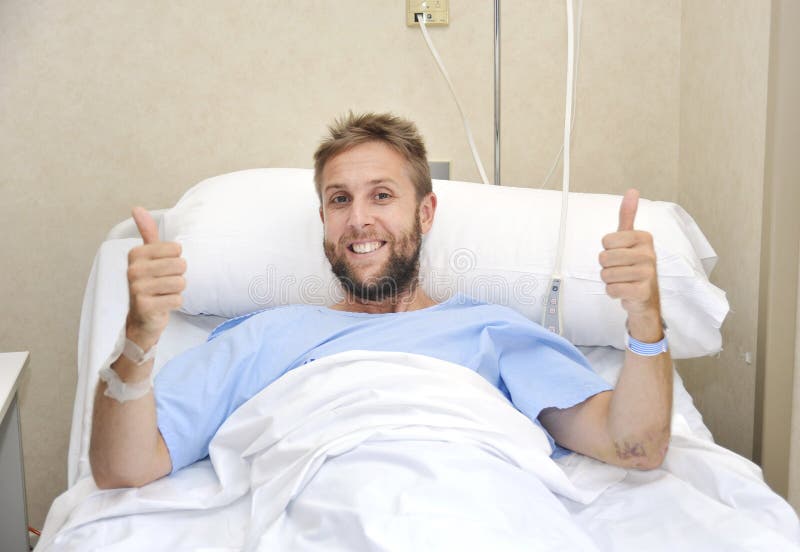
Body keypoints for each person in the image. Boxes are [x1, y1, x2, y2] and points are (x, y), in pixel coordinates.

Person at [89, 112, 672, 490]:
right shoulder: (263, 336)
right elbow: (124, 468)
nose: (359, 218)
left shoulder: (493, 330)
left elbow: (636, 447)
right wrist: (137, 342)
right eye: (339, 199)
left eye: (382, 195)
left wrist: (646, 319)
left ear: (425, 213)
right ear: (323, 221)